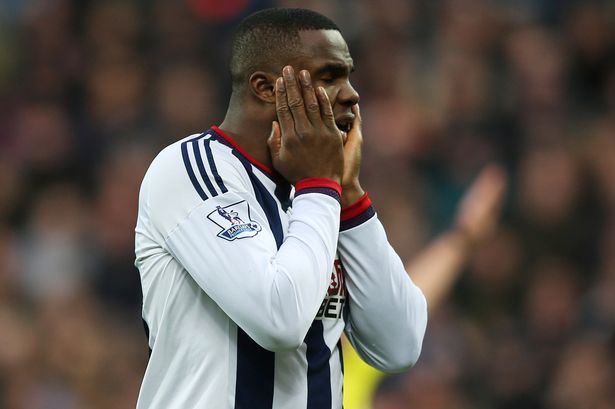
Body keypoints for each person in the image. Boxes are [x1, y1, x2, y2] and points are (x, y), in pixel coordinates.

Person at [134, 8, 427, 409]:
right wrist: (321, 186)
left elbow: (400, 346)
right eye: (329, 76)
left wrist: (349, 193)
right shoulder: (190, 170)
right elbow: (278, 320)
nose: (351, 94)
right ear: (266, 88)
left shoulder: (317, 197)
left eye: (348, 75)